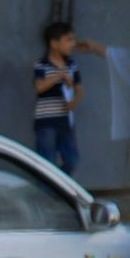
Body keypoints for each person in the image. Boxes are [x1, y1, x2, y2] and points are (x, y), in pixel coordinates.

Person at [33, 19, 111, 177]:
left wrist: (74, 101)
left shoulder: (71, 65)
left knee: (72, 160)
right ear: (54, 43)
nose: (72, 44)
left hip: (66, 122)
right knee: (46, 162)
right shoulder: (42, 65)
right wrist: (58, 76)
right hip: (46, 122)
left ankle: (58, 186)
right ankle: (47, 191)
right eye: (68, 40)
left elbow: (79, 89)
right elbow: (39, 87)